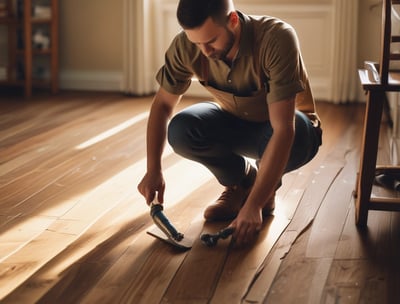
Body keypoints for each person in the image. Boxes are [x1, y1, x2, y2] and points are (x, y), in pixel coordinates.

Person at [137, 0, 322, 246]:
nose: (204, 51)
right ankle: (241, 182)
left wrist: (255, 205)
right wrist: (154, 170)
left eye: (211, 40)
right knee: (182, 129)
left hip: (286, 131)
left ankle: (263, 190)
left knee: (296, 132)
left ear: (232, 20)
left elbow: (283, 129)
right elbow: (162, 106)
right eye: (196, 43)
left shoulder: (277, 37)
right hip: (236, 122)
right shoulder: (187, 45)